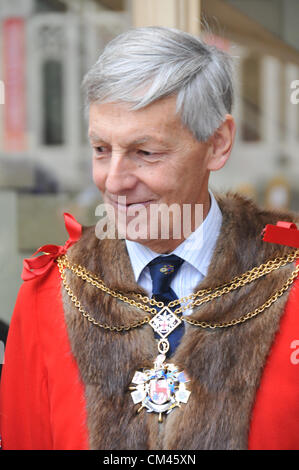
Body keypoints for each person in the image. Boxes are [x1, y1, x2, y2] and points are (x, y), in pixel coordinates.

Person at [1, 26, 299, 451]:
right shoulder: (48, 291)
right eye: (101, 149)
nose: (114, 181)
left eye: (146, 152)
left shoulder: (290, 281)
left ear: (217, 143)